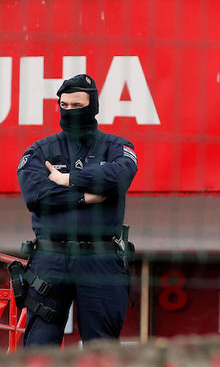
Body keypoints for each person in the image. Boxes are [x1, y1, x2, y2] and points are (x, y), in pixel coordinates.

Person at [14, 73, 138, 347]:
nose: (69, 111)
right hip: (50, 259)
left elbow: (120, 177)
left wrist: (68, 179)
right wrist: (87, 197)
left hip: (101, 258)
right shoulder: (40, 151)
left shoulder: (117, 147)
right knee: (39, 347)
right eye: (64, 105)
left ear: (92, 106)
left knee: (101, 349)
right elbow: (36, 195)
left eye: (77, 105)